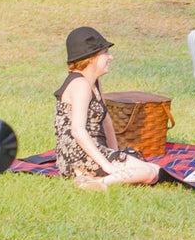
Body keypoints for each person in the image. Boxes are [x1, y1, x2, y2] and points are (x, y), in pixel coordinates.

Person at [54, 27, 161, 191]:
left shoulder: (94, 82)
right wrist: (108, 166)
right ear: (91, 59)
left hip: (96, 150)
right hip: (78, 156)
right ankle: (99, 183)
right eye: (105, 53)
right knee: (149, 172)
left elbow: (106, 120)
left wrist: (116, 153)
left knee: (156, 169)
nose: (111, 57)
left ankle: (90, 179)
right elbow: (77, 131)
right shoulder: (80, 85)